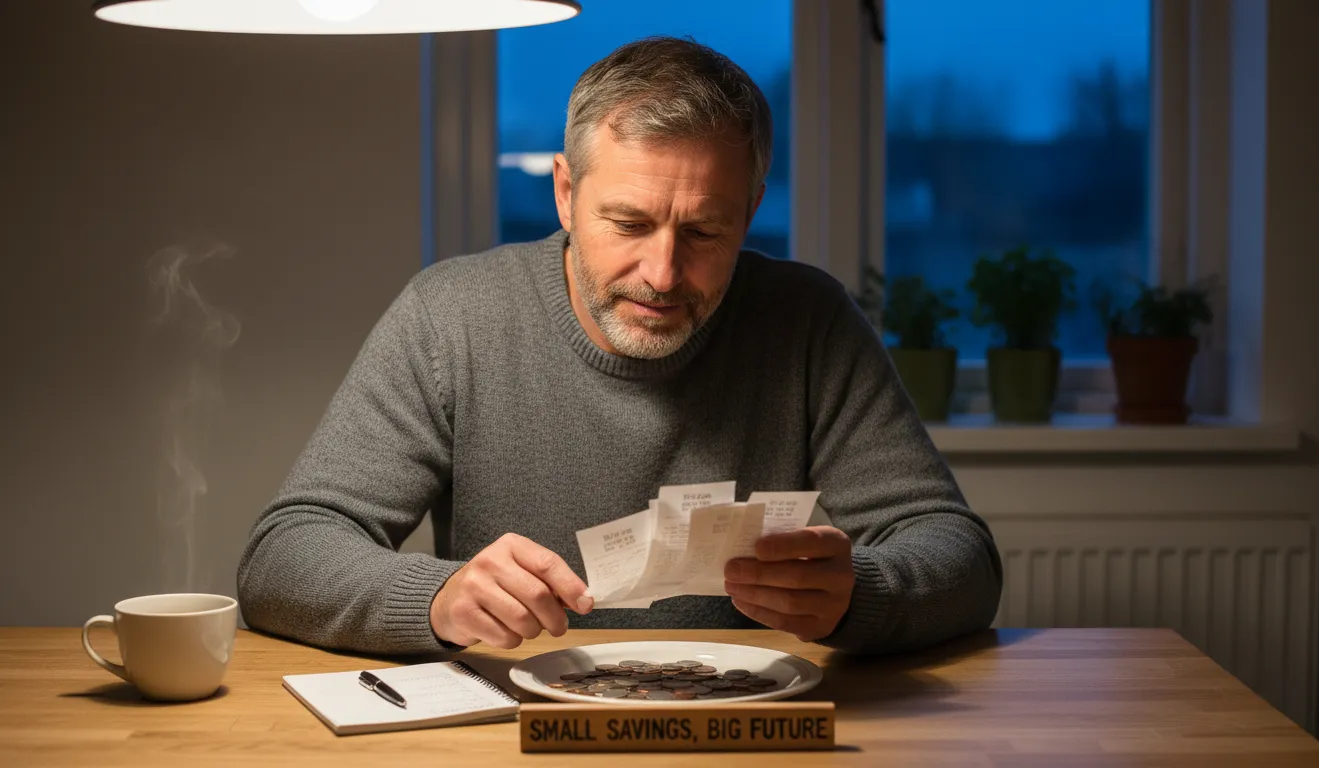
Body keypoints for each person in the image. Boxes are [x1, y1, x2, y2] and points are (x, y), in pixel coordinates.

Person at [237, 36, 1002, 657]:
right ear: (565, 193)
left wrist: (858, 593)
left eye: (705, 232)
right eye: (629, 224)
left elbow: (960, 558)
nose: (664, 274)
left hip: (746, 731)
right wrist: (435, 598)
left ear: (752, 208)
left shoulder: (808, 320)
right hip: (513, 733)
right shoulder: (452, 315)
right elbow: (284, 555)